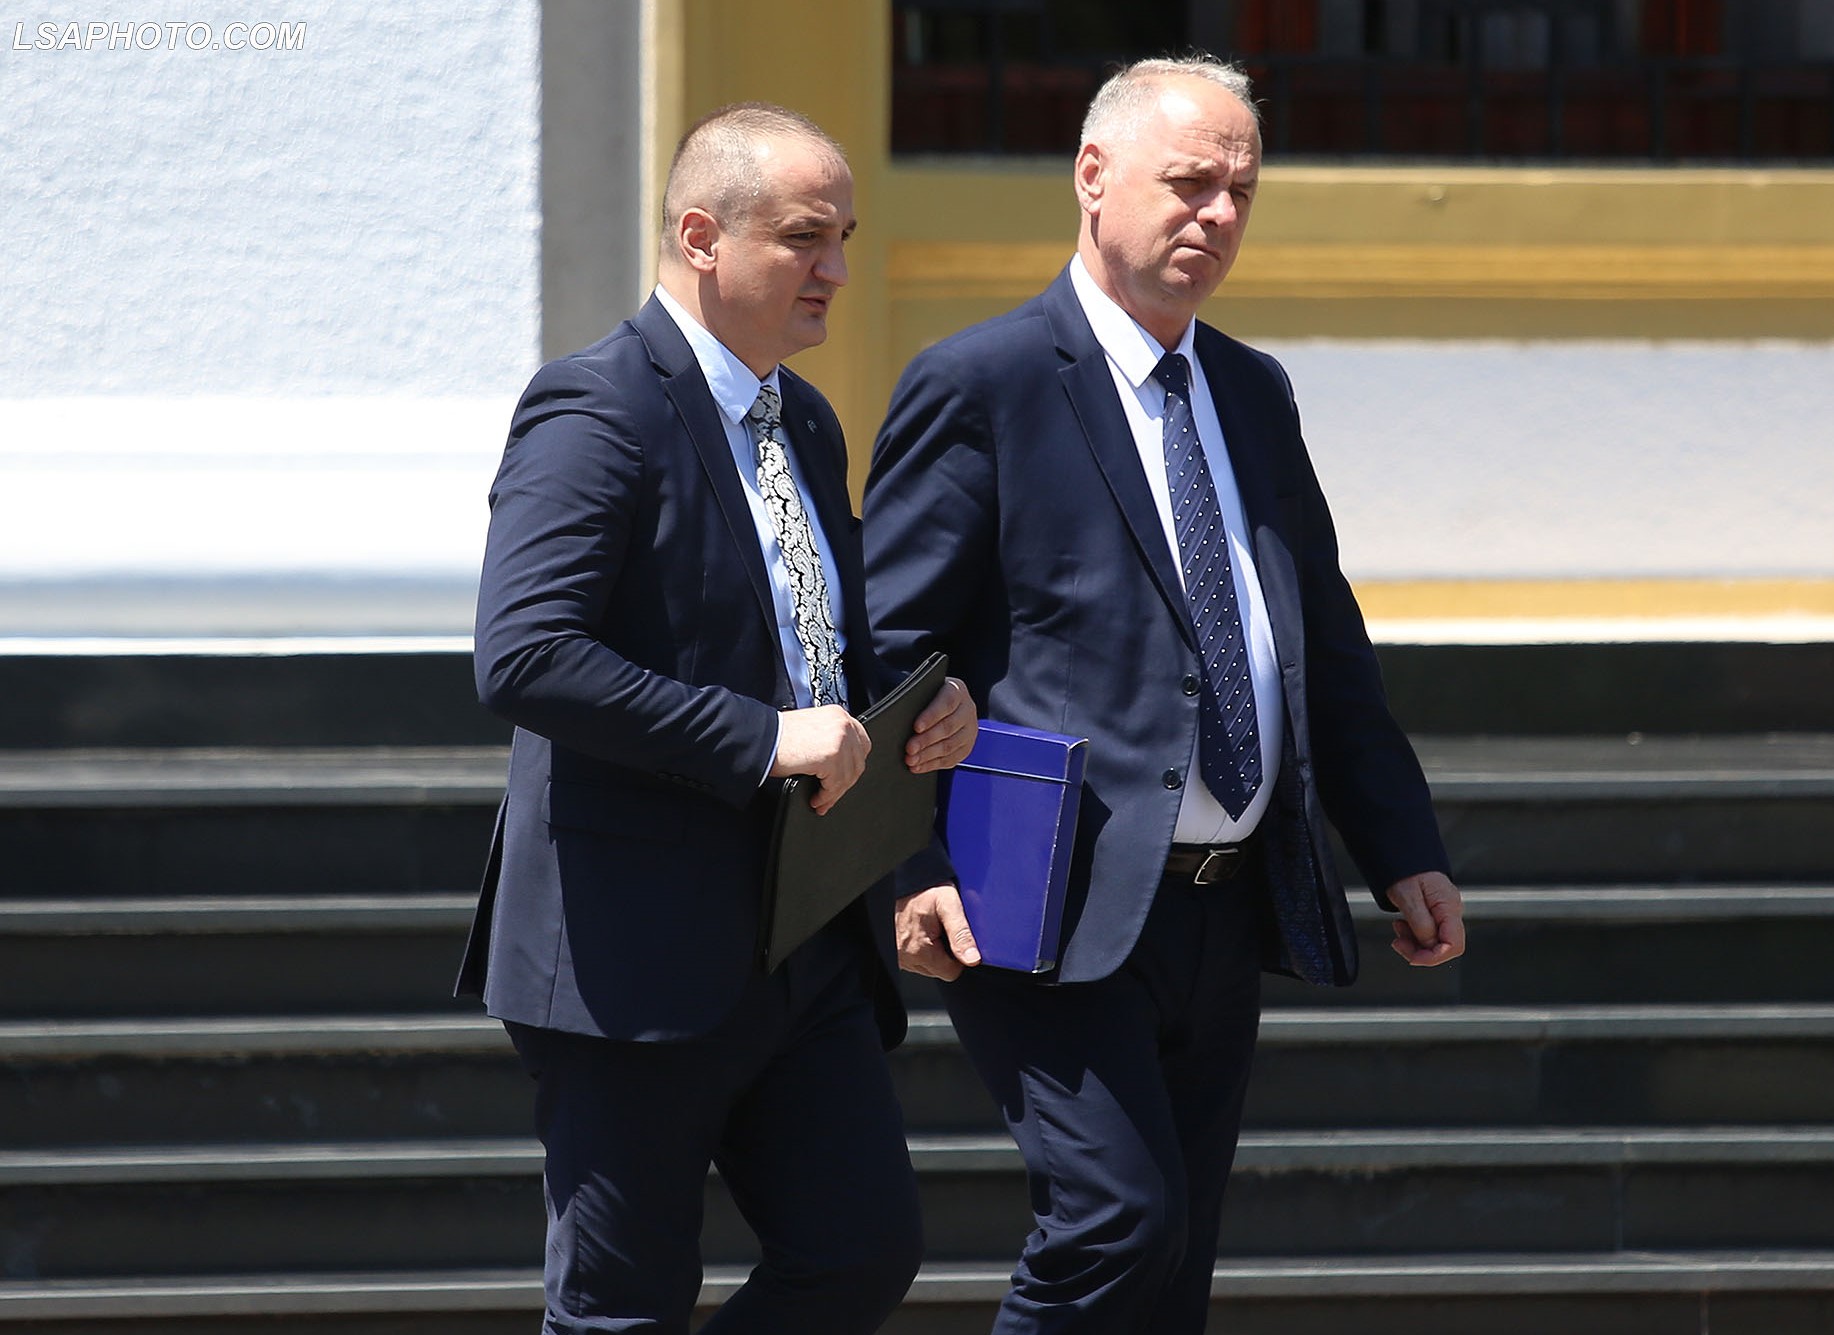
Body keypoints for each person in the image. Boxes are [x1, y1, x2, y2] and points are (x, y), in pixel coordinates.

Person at [863, 57, 1466, 1333]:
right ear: (1093, 176)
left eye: (1240, 192)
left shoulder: (1250, 390)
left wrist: (1400, 846)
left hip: (1222, 902)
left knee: (1170, 1265)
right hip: (1041, 890)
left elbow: (1319, 643)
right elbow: (887, 650)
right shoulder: (984, 384)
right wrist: (908, 867)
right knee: (1115, 1223)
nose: (1218, 214)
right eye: (1189, 183)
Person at [456, 102, 976, 1335]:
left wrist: (921, 708)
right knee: (622, 1307)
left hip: (805, 939)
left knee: (859, 1254)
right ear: (701, 236)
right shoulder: (594, 408)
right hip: (630, 950)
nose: (835, 269)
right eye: (803, 238)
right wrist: (762, 738)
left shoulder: (806, 419)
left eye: (842, 238)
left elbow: (819, 639)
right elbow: (525, 656)